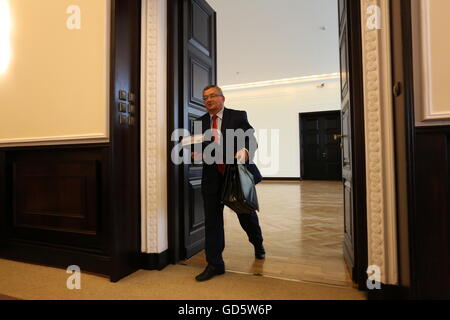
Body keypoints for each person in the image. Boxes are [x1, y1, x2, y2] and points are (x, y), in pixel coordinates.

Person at [193, 85, 265, 282]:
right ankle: (215, 264)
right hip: (212, 178)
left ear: (222, 98)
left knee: (246, 216)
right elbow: (200, 149)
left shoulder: (237, 116)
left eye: (213, 96)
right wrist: (194, 153)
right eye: (205, 97)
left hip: (235, 176)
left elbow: (251, 140)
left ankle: (257, 243)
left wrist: (245, 152)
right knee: (212, 221)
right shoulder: (199, 123)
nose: (209, 100)